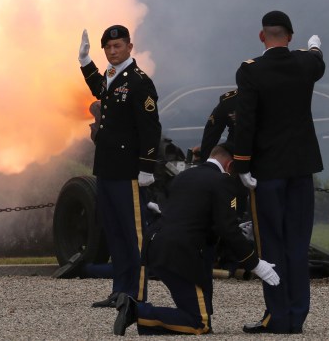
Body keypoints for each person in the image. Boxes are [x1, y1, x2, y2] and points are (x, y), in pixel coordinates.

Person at [112, 143, 280, 336]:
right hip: (180, 253)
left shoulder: (184, 176)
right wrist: (254, 263)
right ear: (230, 165)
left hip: (157, 246)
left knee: (202, 312)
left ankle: (149, 318)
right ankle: (136, 311)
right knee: (199, 323)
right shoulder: (222, 181)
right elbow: (227, 229)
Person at [233, 10, 324, 334]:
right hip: (301, 168)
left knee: (271, 243)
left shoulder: (251, 72)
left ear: (262, 36)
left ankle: (278, 315)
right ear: (291, 36)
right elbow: (317, 61)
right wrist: (314, 48)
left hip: (268, 170)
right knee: (298, 245)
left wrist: (241, 164)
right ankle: (297, 316)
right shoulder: (305, 64)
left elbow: (246, 121)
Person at [78, 25, 162, 308]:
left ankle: (135, 294)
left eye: (118, 46)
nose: (113, 52)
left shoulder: (139, 81)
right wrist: (86, 63)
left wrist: (147, 166)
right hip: (107, 168)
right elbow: (100, 90)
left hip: (129, 171)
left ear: (129, 47)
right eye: (108, 48)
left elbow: (151, 128)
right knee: (114, 231)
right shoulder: (112, 76)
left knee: (133, 234)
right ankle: (120, 290)